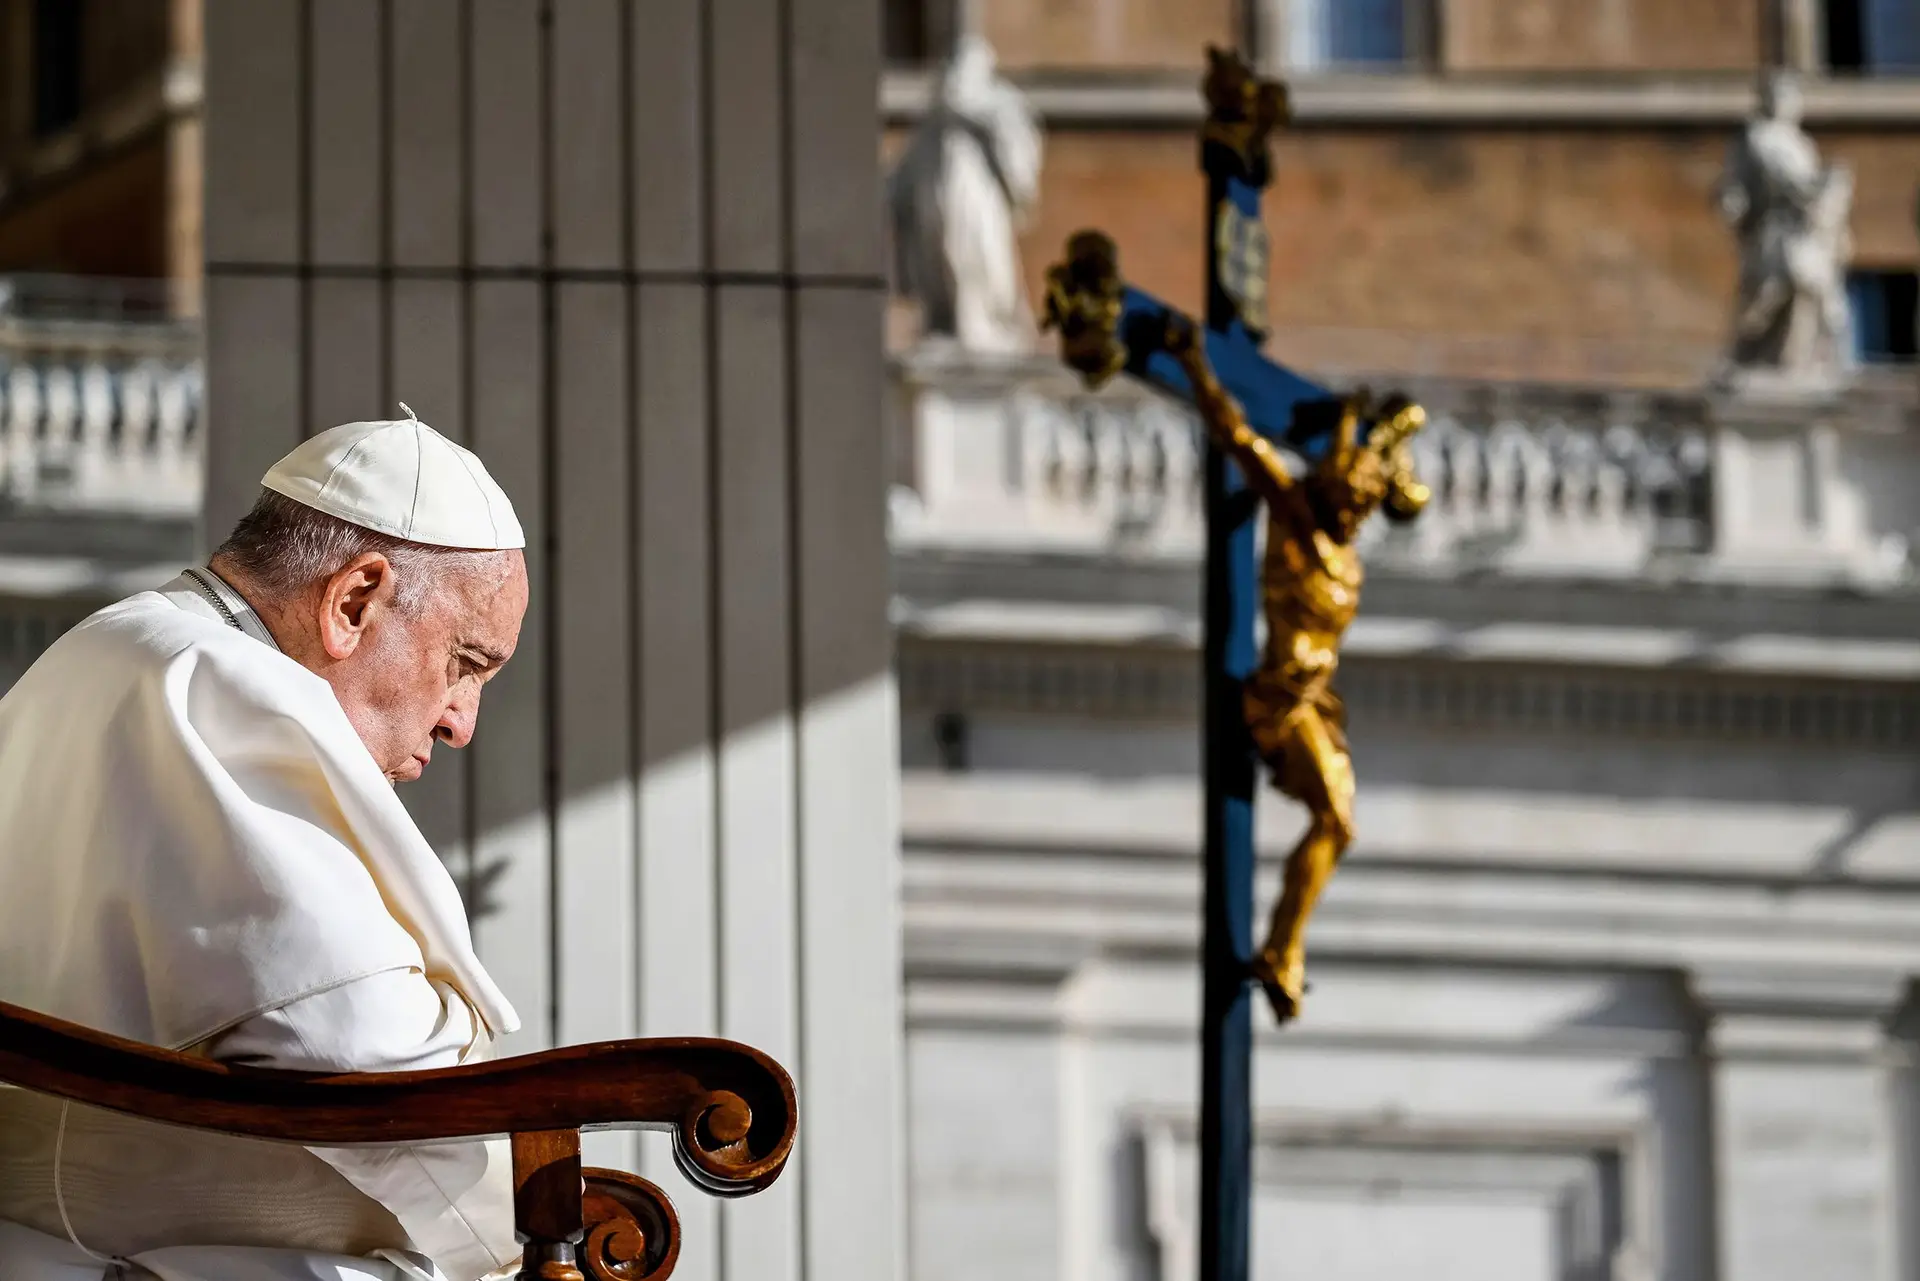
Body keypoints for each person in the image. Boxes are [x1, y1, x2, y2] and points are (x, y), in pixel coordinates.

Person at [0, 408, 530, 1281]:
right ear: (354, 600)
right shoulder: (212, 682)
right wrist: (521, 1224)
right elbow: (363, 1053)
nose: (461, 721)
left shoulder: (113, 647)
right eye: (465, 663)